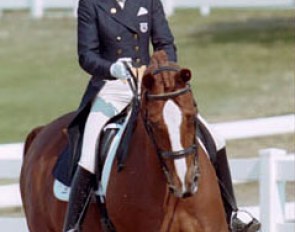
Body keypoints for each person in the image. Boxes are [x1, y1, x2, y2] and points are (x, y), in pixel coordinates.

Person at [63, 0, 261, 231]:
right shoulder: (91, 4)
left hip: (152, 86)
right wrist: (113, 68)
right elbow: (87, 55)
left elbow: (165, 43)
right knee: (88, 154)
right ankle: (73, 225)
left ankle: (233, 213)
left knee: (215, 138)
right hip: (112, 88)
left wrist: (161, 73)